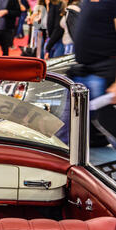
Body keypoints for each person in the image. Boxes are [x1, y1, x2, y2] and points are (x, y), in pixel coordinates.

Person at [67, 0, 116, 149]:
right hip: (83, 73)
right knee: (77, 128)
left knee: (107, 124)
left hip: (103, 73)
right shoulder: (87, 2)